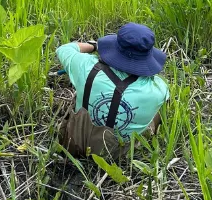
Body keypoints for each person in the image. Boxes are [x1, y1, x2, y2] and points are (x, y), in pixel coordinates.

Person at [55, 22, 169, 162]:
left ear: (115, 47)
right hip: (123, 157)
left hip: (77, 143)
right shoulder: (158, 89)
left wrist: (94, 46)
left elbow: (64, 49)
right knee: (159, 108)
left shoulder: (85, 66)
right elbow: (162, 92)